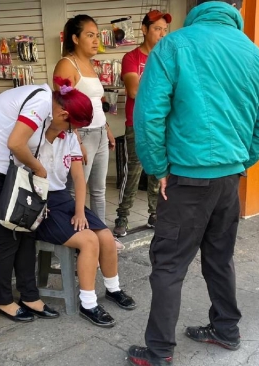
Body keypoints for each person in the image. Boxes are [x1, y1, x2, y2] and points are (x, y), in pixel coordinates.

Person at [126, 0, 259, 366]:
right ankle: (226, 329)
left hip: (187, 176)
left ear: (196, 14)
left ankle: (158, 352)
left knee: (169, 265)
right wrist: (239, 163)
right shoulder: (255, 54)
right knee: (219, 257)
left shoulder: (175, 44)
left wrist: (158, 167)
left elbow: (148, 114)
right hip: (229, 179)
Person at [0, 85, 70, 323]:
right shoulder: (40, 101)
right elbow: (16, 144)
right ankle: (4, 300)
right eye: (72, 126)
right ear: (63, 114)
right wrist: (40, 170)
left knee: (26, 229)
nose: (69, 132)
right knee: (7, 235)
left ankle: (29, 296)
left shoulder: (46, 105)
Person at [35, 79, 137, 327]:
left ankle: (113, 289)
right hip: (38, 203)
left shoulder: (69, 136)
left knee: (104, 236)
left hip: (61, 198)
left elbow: (79, 179)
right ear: (61, 114)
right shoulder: (33, 136)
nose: (74, 131)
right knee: (88, 240)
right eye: (74, 125)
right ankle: (88, 303)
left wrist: (80, 211)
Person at [112, 10, 171, 237]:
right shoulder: (132, 58)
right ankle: (122, 217)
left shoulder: (167, 59)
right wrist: (164, 92)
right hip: (136, 125)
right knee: (133, 173)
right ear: (144, 30)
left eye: (165, 30)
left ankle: (155, 214)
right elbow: (134, 90)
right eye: (157, 29)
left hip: (161, 126)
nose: (162, 34)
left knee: (158, 172)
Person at [53, 15, 116, 227]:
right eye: (90, 35)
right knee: (74, 189)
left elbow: (96, 102)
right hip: (81, 134)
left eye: (97, 35)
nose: (96, 40)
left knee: (99, 189)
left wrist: (106, 128)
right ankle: (74, 235)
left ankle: (101, 232)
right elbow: (62, 106)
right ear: (75, 38)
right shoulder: (66, 65)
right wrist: (76, 141)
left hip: (98, 132)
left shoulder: (90, 64)